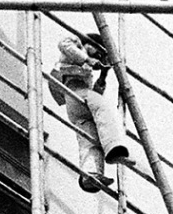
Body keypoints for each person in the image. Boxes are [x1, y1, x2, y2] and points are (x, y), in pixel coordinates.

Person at [48, 33, 130, 192]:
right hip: (73, 93)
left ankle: (90, 174)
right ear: (88, 43)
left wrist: (103, 75)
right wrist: (87, 59)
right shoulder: (75, 47)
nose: (97, 55)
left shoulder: (88, 73)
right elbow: (64, 43)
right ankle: (114, 147)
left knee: (90, 139)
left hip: (78, 107)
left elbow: (95, 92)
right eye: (97, 51)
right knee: (103, 107)